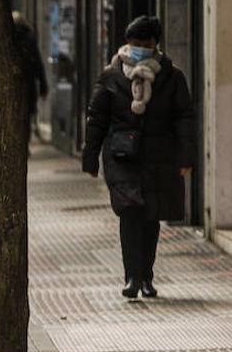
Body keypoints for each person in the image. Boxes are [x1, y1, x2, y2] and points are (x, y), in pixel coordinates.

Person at [81, 15, 196, 299]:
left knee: (150, 217)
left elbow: (184, 119)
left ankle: (147, 275)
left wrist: (185, 158)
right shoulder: (111, 75)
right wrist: (90, 156)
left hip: (159, 157)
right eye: (135, 43)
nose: (139, 48)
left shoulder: (172, 76)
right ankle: (132, 276)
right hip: (122, 156)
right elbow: (96, 118)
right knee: (130, 213)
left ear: (155, 44)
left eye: (145, 44)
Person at [12, 11, 48, 140]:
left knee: (14, 115)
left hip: (13, 84)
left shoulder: (8, 38)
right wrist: (43, 86)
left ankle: (17, 140)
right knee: (26, 116)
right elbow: (38, 63)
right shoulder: (29, 37)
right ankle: (24, 143)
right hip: (28, 82)